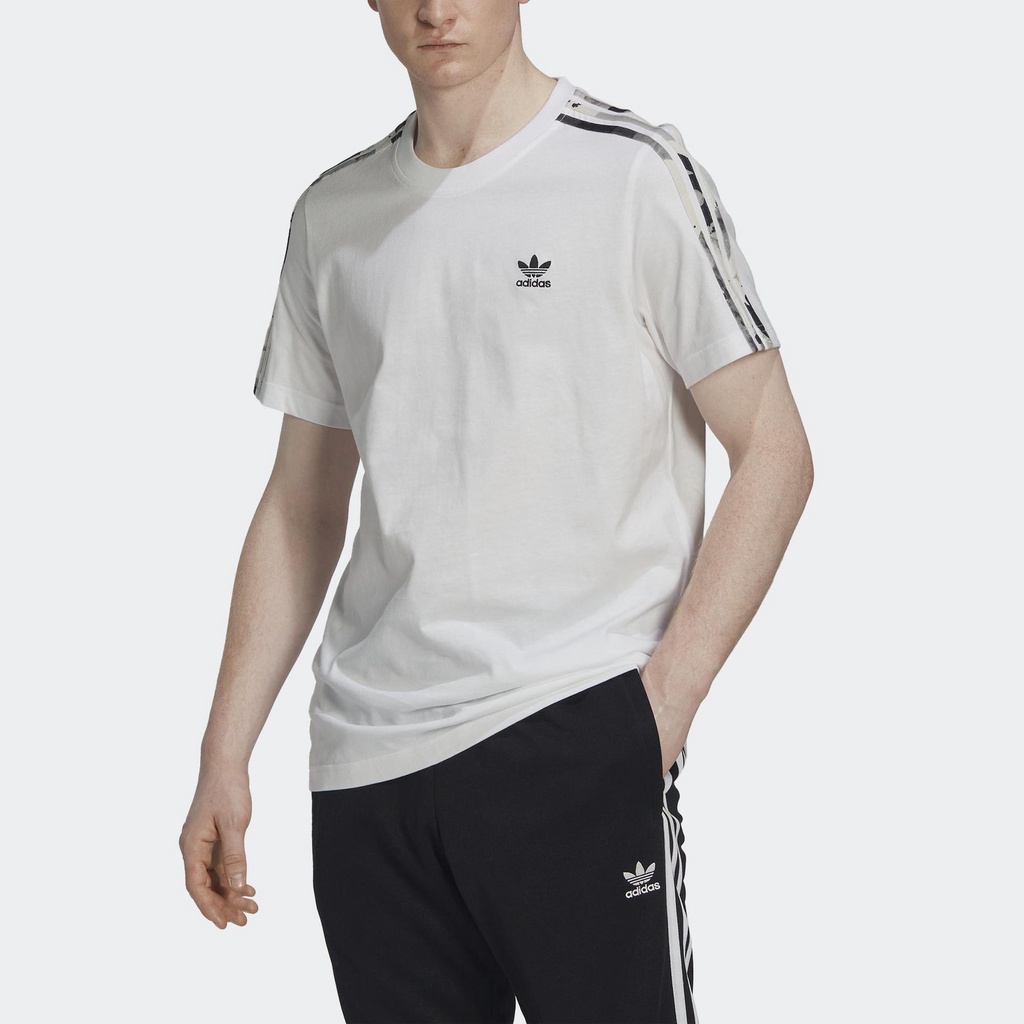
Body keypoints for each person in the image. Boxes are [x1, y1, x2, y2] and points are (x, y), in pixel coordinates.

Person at [179, 1, 814, 1020]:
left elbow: (774, 451)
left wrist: (656, 710)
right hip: (369, 772)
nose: (436, 9)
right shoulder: (334, 215)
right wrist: (223, 751)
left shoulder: (633, 174)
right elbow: (301, 503)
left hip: (573, 730)